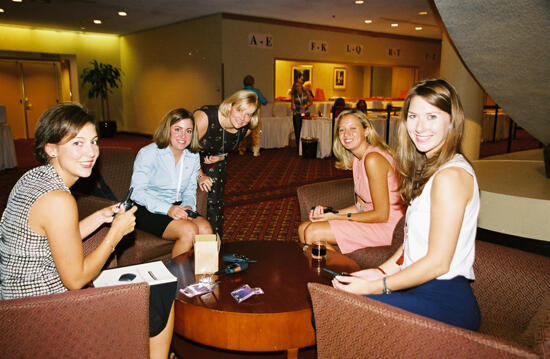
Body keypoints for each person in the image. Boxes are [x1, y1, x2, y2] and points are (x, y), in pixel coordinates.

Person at [0, 103, 174, 358]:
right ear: (51, 148)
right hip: (41, 311)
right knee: (161, 291)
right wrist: (115, 233)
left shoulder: (34, 178)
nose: (91, 152)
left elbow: (57, 238)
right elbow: (75, 279)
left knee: (146, 286)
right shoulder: (59, 199)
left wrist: (100, 217)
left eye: (93, 141)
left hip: (14, 302)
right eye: (77, 143)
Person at [331, 79, 481, 331]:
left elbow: (438, 262)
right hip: (416, 284)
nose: (419, 127)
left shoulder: (450, 176)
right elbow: (413, 243)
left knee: (337, 312)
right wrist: (379, 271)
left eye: (431, 116)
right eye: (413, 116)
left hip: (444, 298)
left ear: (452, 120)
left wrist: (377, 285)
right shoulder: (431, 169)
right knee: (335, 304)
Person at [298, 109, 405, 253]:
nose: (346, 134)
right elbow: (360, 206)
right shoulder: (357, 159)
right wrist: (330, 215)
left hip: (388, 225)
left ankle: (342, 273)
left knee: (312, 232)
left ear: (366, 131)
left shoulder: (373, 159)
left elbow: (381, 214)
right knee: (303, 228)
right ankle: (328, 271)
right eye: (342, 130)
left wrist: (338, 217)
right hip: (370, 218)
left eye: (353, 128)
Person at [130, 108, 212, 258]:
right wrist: (168, 209)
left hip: (178, 205)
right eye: (178, 129)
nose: (183, 136)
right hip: (146, 207)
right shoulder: (148, 153)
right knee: (189, 230)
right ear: (167, 129)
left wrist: (188, 206)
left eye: (188, 131)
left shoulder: (192, 155)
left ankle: (204, 278)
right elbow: (137, 192)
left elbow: (189, 189)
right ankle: (178, 280)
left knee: (206, 229)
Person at [194, 90, 260, 236]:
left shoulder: (245, 129)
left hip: (213, 162)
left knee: (214, 206)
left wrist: (222, 156)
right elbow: (184, 149)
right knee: (193, 206)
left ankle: (213, 247)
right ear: (230, 106)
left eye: (248, 114)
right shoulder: (205, 117)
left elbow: (227, 145)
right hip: (187, 160)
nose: (243, 118)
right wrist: (199, 176)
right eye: (240, 110)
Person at [239, 75, 267, 157]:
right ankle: (255, 151)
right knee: (256, 133)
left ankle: (241, 150)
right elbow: (264, 101)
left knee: (243, 133)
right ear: (253, 83)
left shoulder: (241, 92)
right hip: (254, 115)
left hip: (243, 116)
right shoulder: (256, 91)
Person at [291, 81, 313, 150]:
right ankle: (298, 147)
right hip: (297, 114)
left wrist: (305, 105)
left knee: (305, 130)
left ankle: (305, 146)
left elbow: (311, 102)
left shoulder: (306, 93)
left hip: (305, 113)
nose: (297, 88)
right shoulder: (294, 95)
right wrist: (294, 106)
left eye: (298, 86)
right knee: (298, 131)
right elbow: (292, 105)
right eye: (296, 86)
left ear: (301, 86)